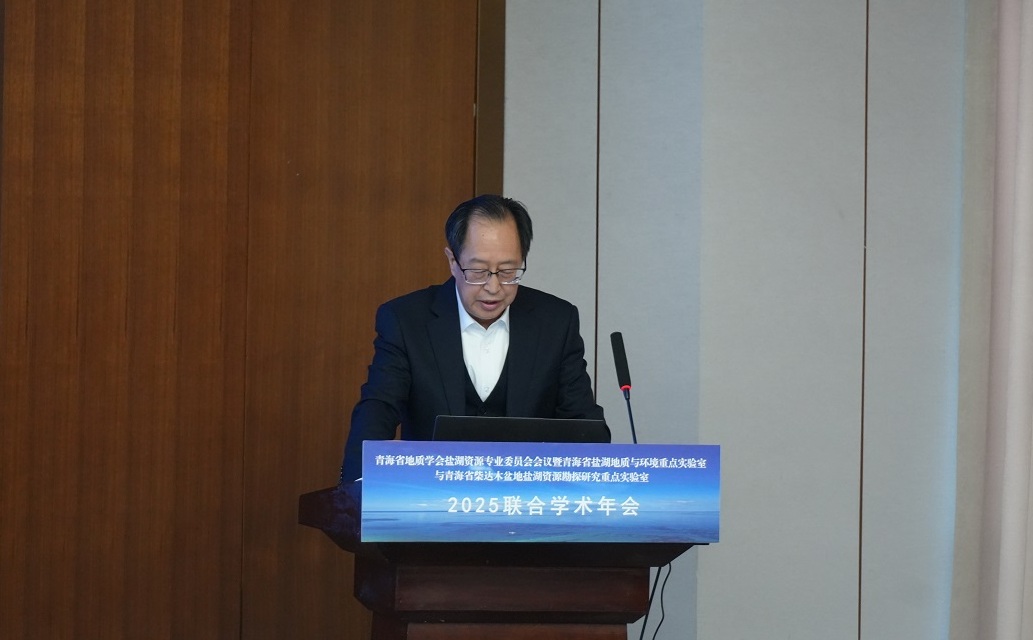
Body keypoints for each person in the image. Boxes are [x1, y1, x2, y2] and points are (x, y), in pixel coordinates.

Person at [339, 194, 605, 483]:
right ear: (452, 261)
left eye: (508, 271)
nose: (493, 287)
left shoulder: (556, 321)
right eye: (478, 271)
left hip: (528, 494)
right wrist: (357, 487)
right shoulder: (406, 320)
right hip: (431, 494)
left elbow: (584, 424)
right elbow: (378, 409)